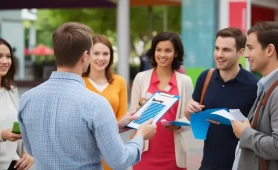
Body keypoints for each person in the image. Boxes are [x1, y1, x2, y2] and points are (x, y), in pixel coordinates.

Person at [18, 22, 157, 170]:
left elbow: (32, 149)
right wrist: (140, 136)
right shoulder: (96, 104)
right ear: (85, 56)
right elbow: (120, 161)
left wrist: (112, 127)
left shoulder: (27, 98)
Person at [185, 27, 259, 170]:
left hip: (240, 166)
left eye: (226, 50)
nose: (219, 54)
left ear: (240, 52)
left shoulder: (254, 86)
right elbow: (191, 118)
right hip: (207, 165)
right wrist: (189, 110)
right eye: (217, 48)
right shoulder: (205, 78)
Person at [131, 32, 193, 170]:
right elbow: (130, 115)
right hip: (144, 153)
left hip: (173, 154)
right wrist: (140, 106)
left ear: (176, 53)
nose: (162, 55)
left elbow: (188, 118)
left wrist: (178, 126)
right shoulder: (141, 78)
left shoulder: (185, 81)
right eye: (158, 50)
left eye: (168, 50)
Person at [0, 37, 34, 170]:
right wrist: (1, 135)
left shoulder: (12, 90)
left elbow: (20, 126)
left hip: (14, 165)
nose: (5, 61)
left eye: (8, 56)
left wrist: (27, 152)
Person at [232, 21, 278, 170]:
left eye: (251, 48)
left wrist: (245, 133)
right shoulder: (266, 85)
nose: (246, 55)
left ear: (270, 50)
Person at [83, 35, 127, 170]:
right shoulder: (79, 82)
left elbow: (122, 116)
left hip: (112, 149)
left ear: (111, 56)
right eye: (96, 53)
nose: (101, 58)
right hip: (84, 150)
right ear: (87, 55)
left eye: (105, 54)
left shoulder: (119, 82)